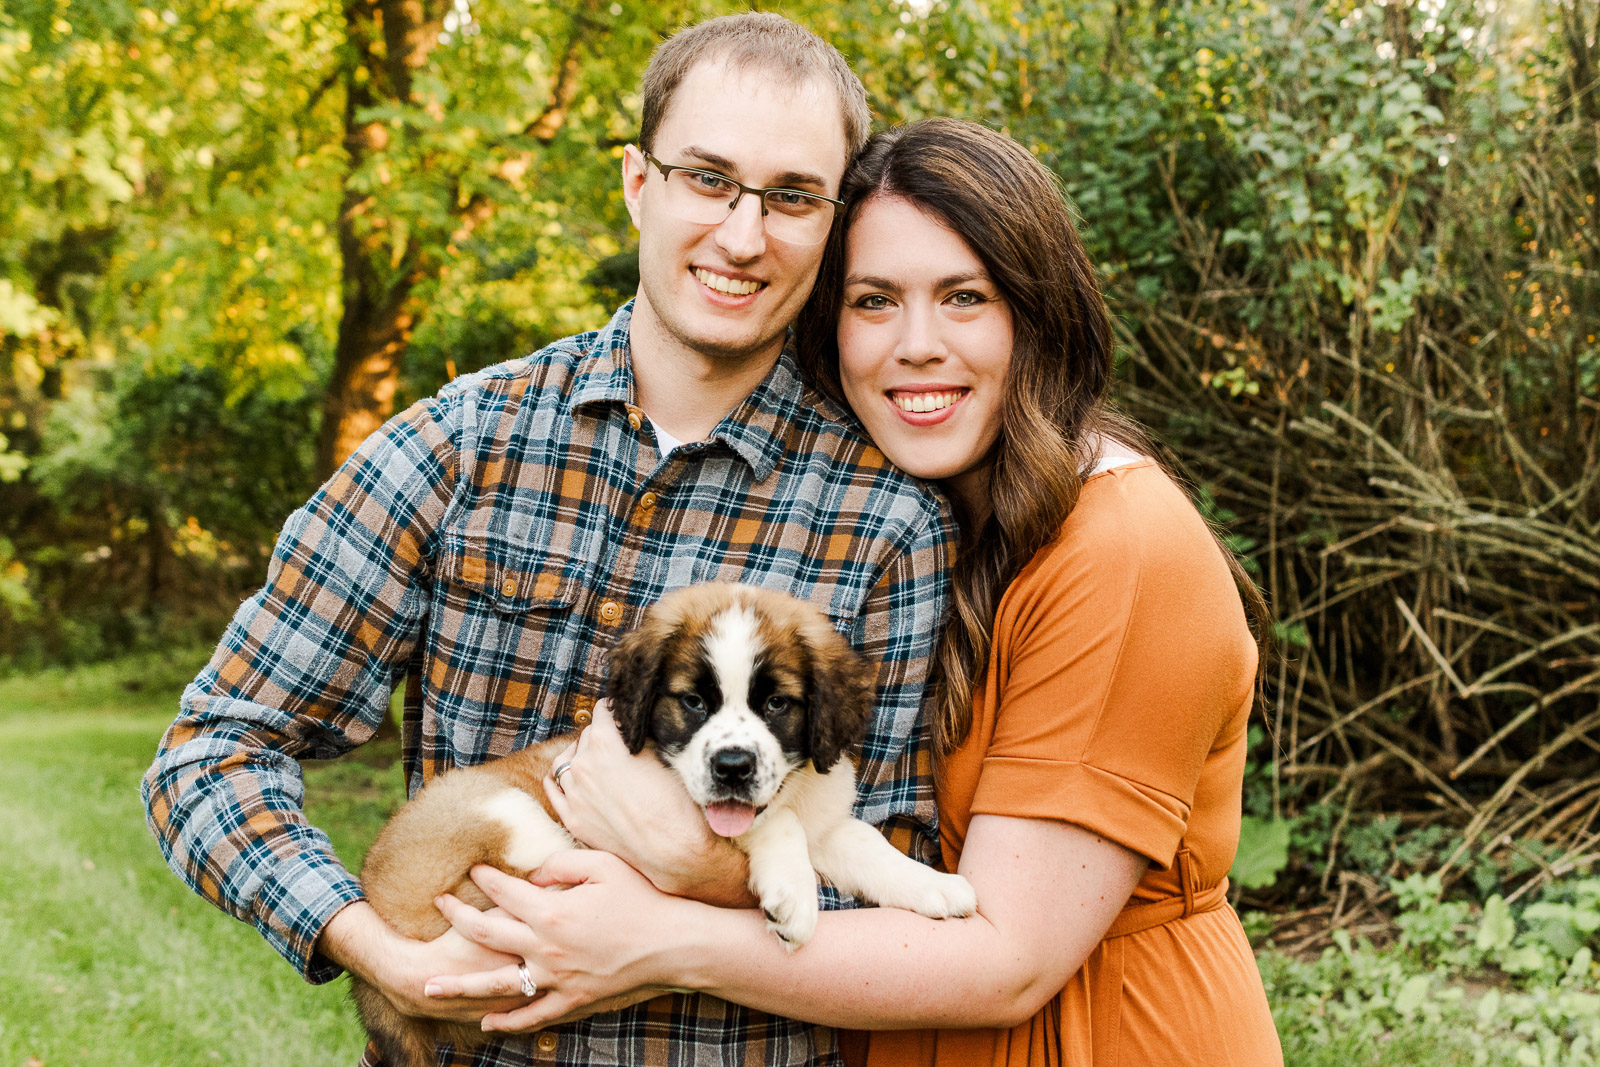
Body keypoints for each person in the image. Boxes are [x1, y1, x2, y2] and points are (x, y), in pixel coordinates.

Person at [141, 16, 957, 1067]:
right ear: (636, 183)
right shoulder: (456, 445)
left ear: (832, 222)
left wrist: (696, 889)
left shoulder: (887, 519)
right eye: (707, 178)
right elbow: (212, 750)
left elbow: (900, 870)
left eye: (792, 196)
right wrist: (372, 943)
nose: (744, 235)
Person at [418, 119, 1285, 1066]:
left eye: (966, 297)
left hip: (1104, 1036)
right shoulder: (936, 517)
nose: (916, 345)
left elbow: (1009, 962)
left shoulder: (1121, 548)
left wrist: (659, 937)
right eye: (874, 300)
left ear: (1039, 315)